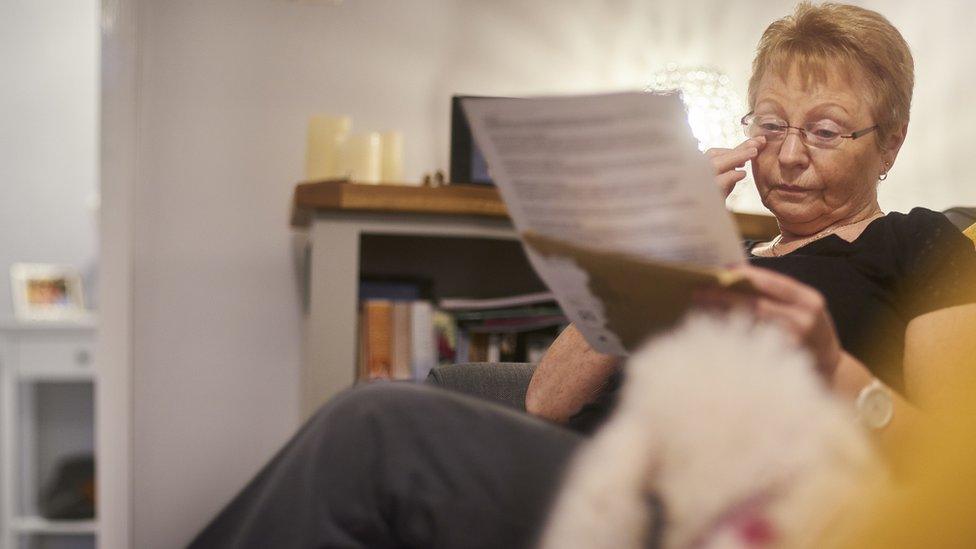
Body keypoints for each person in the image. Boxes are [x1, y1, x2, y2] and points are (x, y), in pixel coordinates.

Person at [190, 3, 976, 548]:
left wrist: (835, 370)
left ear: (892, 143)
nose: (790, 153)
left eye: (826, 130)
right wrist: (654, 237)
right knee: (367, 421)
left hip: (727, 509)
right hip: (601, 480)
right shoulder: (713, 251)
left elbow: (958, 473)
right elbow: (546, 398)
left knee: (372, 427)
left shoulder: (922, 248)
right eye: (770, 125)